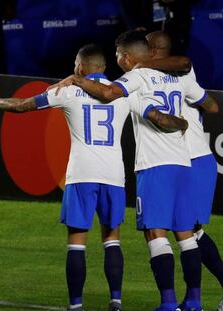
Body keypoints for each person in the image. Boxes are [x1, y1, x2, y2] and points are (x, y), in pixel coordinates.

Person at [0, 43, 186, 311]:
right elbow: (159, 118)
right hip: (113, 176)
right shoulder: (124, 92)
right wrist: (183, 122)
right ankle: (116, 301)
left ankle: (76, 305)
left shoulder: (68, 90)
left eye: (75, 64)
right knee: (112, 240)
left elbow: (23, 106)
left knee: (77, 243)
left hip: (81, 175)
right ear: (104, 67)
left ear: (81, 68)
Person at [53, 30, 213, 311]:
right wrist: (184, 124)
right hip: (183, 163)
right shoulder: (178, 75)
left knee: (155, 234)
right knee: (187, 235)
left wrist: (77, 79)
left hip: (155, 165)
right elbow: (209, 104)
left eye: (117, 55)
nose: (115, 60)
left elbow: (107, 92)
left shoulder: (136, 77)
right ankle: (195, 301)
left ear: (127, 57)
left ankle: (168, 303)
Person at [146, 31, 223, 311]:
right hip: (187, 158)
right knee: (191, 231)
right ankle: (192, 301)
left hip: (190, 158)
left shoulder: (179, 72)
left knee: (184, 231)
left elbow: (184, 62)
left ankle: (186, 301)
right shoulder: (162, 75)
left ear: (155, 51)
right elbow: (212, 105)